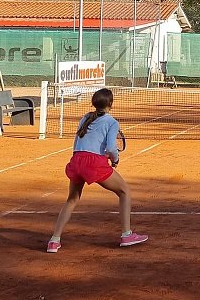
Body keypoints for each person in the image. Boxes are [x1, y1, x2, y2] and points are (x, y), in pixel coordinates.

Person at [47, 88, 147, 253]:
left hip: (76, 160)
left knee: (72, 199)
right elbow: (111, 148)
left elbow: (78, 142)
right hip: (94, 163)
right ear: (110, 104)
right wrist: (114, 159)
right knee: (124, 192)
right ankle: (126, 234)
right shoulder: (112, 122)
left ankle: (54, 241)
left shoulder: (85, 117)